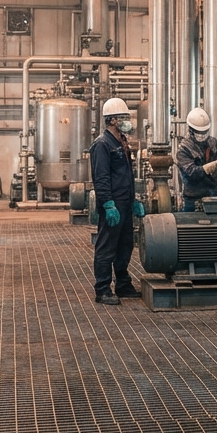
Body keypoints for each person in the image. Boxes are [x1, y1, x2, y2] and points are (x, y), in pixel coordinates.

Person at [90, 97, 145, 305]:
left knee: (125, 245)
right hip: (112, 205)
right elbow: (101, 177)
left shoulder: (122, 142)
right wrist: (108, 204)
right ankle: (102, 289)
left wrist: (133, 199)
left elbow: (126, 175)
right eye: (123, 117)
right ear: (112, 120)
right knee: (106, 247)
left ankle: (123, 284)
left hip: (124, 202)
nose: (127, 121)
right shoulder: (102, 145)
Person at [175, 107, 217, 211]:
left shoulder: (212, 143)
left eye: (205, 131)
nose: (202, 135)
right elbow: (192, 173)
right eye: (198, 132)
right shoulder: (184, 149)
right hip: (193, 200)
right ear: (190, 130)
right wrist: (213, 166)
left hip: (214, 197)